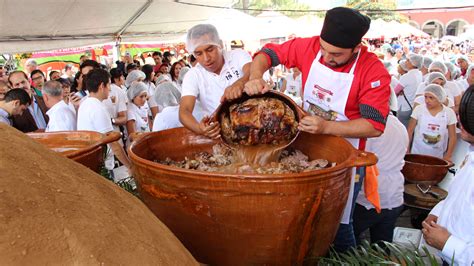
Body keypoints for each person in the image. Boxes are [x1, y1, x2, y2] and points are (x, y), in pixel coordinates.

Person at [243, 7, 390, 252]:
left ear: (356, 48)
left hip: (345, 157)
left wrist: (326, 126)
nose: (326, 57)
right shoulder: (308, 47)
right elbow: (266, 54)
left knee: (338, 225)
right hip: (307, 146)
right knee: (303, 217)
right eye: (323, 49)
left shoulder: (372, 70)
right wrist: (255, 76)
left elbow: (374, 126)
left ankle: (345, 257)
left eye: (336, 54)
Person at [421, 85, 474, 265]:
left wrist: (448, 243)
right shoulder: (470, 155)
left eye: (465, 115)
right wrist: (438, 213)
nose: (458, 119)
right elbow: (458, 197)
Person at [179, 24, 252, 139]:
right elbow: (184, 112)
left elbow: (252, 72)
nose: (206, 58)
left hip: (253, 121)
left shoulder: (237, 56)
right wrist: (199, 129)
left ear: (220, 44)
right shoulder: (193, 75)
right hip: (223, 132)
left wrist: (240, 83)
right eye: (199, 54)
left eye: (210, 49)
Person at [354, 108, 408, 246]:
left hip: (370, 197)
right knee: (383, 246)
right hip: (394, 195)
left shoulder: (369, 128)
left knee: (349, 241)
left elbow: (358, 156)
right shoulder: (400, 126)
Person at [77, 69, 130, 170]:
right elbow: (112, 142)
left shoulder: (85, 103)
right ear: (102, 86)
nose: (110, 89)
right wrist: (130, 166)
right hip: (103, 165)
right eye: (109, 84)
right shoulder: (98, 108)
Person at [407, 84, 457, 162]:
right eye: (425, 97)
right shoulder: (419, 109)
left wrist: (448, 155)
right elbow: (410, 131)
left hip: (437, 155)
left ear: (440, 98)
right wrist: (407, 149)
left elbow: (453, 136)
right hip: (417, 153)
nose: (427, 100)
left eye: (431, 98)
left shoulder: (448, 113)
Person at [395, 53, 424, 127]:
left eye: (408, 60)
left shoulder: (407, 76)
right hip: (413, 106)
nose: (406, 62)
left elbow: (395, 91)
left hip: (404, 107)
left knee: (402, 129)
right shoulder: (419, 74)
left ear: (413, 63)